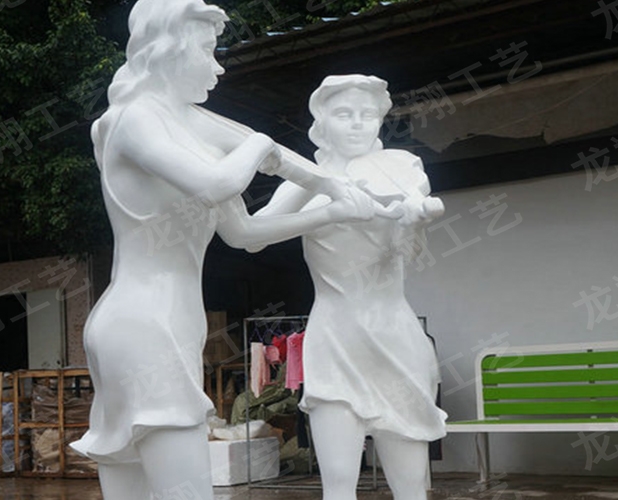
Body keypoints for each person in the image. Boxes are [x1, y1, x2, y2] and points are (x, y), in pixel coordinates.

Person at [69, 3, 398, 500]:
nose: (217, 66)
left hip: (166, 320)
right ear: (169, 49)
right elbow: (220, 180)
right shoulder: (133, 119)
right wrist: (262, 146)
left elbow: (244, 232)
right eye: (207, 51)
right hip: (143, 323)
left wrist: (334, 203)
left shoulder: (188, 127)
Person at [250, 75, 448, 500]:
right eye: (344, 114)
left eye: (367, 114)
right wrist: (323, 202)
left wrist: (413, 221)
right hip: (334, 338)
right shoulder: (304, 182)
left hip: (394, 336)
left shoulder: (402, 169)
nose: (358, 123)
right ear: (322, 123)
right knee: (338, 483)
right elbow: (253, 235)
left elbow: (409, 252)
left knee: (411, 484)